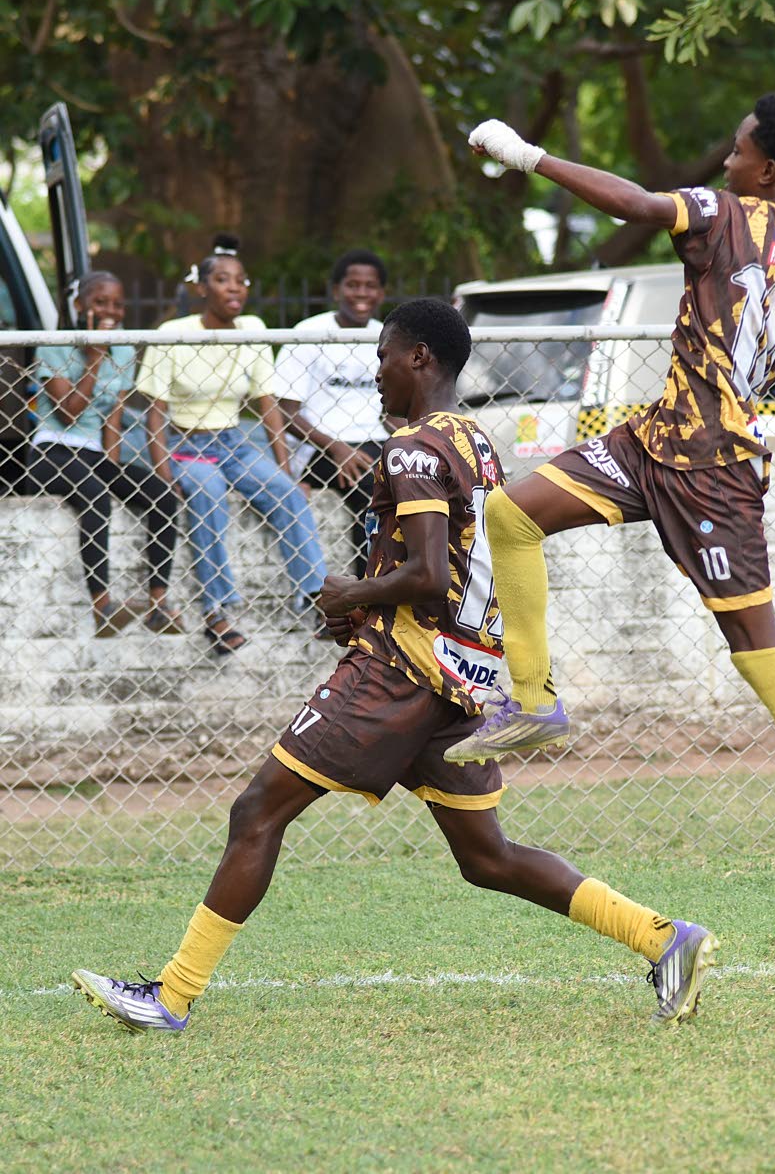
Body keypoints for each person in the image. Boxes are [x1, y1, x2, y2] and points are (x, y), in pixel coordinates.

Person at [71, 299, 717, 1032]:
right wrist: (372, 602)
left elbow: (428, 572)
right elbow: (462, 563)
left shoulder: (411, 448)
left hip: (399, 672)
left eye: (383, 356)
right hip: (462, 677)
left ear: (419, 359)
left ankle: (172, 996)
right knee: (488, 857)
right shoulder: (474, 441)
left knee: (258, 810)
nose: (374, 372)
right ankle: (666, 939)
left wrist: (352, 591)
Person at [448, 95, 775, 935]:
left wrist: (526, 155)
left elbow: (632, 202)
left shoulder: (721, 213)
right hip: (652, 441)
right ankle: (535, 701)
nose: (724, 163)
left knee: (758, 656)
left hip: (715, 471)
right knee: (510, 515)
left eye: (735, 151)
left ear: (765, 170)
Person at [138, 235, 328, 654]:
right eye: (223, 280)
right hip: (187, 446)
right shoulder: (172, 334)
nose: (235, 288)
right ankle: (217, 612)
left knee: (286, 495)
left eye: (241, 281)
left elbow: (268, 406)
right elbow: (155, 414)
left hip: (234, 444)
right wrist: (164, 472)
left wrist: (286, 469)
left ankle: (318, 599)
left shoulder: (254, 330)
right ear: (202, 288)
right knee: (208, 491)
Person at [25, 271, 184, 637]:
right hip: (52, 450)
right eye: (100, 303)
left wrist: (113, 469)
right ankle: (104, 608)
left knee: (161, 495)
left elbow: (112, 419)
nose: (110, 311)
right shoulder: (54, 344)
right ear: (79, 305)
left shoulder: (124, 350)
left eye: (117, 304)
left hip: (92, 454)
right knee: (96, 497)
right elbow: (70, 412)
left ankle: (159, 604)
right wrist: (94, 357)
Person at [277, 249, 395, 578]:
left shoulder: (387, 333)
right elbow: (285, 412)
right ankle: (366, 592)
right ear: (336, 290)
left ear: (381, 292)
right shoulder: (309, 332)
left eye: (370, 286)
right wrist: (337, 448)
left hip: (372, 443)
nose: (361, 294)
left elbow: (391, 410)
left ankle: (375, 588)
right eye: (353, 285)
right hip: (317, 448)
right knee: (372, 484)